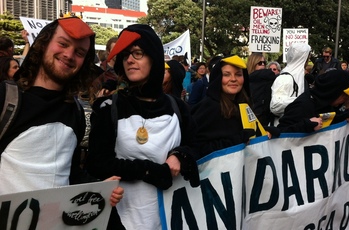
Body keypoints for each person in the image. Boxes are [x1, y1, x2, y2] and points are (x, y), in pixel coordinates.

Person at [0, 16, 124, 227]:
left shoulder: (75, 111)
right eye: (63, 44)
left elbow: (69, 172)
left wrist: (98, 189)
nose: (69, 55)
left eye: (79, 53)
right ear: (44, 43)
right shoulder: (5, 98)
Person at [86, 24, 200, 230]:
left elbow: (196, 145)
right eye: (126, 55)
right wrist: (148, 171)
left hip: (172, 217)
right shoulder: (108, 108)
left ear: (154, 58)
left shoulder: (178, 107)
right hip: (122, 219)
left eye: (138, 53)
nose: (130, 60)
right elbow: (96, 163)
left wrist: (180, 155)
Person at [191, 55, 262, 158]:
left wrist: (265, 132)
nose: (233, 79)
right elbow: (196, 148)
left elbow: (249, 132)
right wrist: (236, 140)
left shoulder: (244, 106)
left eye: (238, 74)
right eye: (226, 74)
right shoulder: (208, 107)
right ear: (218, 77)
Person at [277, 69, 349, 133]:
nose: (343, 103)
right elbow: (280, 132)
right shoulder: (302, 105)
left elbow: (325, 120)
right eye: (344, 99)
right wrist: (305, 125)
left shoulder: (326, 104)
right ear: (334, 92)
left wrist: (341, 118)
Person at [270, 43, 311, 125]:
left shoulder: (301, 77)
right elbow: (275, 106)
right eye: (307, 58)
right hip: (283, 129)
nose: (308, 61)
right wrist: (301, 102)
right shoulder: (284, 78)